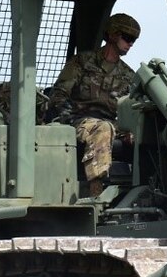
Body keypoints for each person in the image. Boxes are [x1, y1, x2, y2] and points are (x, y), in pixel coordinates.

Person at [48, 13, 141, 197]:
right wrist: (66, 119)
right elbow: (59, 94)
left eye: (134, 40)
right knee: (102, 128)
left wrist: (132, 131)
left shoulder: (128, 75)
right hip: (76, 120)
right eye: (128, 38)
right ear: (113, 35)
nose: (131, 44)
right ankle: (96, 191)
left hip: (109, 123)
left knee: (143, 134)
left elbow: (131, 109)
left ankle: (143, 188)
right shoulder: (82, 62)